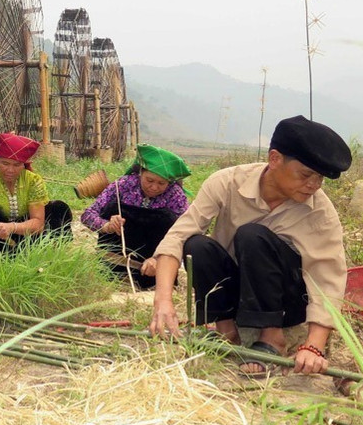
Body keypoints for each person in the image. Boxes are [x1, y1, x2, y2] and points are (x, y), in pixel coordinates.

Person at [148, 115, 352, 376]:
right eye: (306, 174)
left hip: (286, 302)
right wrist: (163, 301)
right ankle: (227, 332)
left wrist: (314, 346)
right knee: (197, 245)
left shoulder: (320, 211)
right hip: (240, 294)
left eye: (320, 178)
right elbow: (177, 236)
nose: (313, 185)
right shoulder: (227, 182)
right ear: (275, 159)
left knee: (252, 235)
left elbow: (328, 277)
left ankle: (272, 338)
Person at [80, 144, 191, 289]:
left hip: (155, 270)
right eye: (149, 180)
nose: (154, 187)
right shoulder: (123, 185)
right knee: (112, 208)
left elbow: (185, 232)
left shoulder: (175, 195)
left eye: (161, 183)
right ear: (140, 173)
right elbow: (87, 215)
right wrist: (106, 226)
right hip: (114, 266)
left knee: (168, 220)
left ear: (169, 182)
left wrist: (160, 258)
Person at [0, 132, 72, 255]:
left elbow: (38, 224)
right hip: (0, 241)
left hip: (30, 237)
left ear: (24, 165)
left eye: (17, 165)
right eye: (5, 163)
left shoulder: (33, 181)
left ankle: (51, 254)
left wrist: (12, 227)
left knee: (58, 208)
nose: (10, 170)